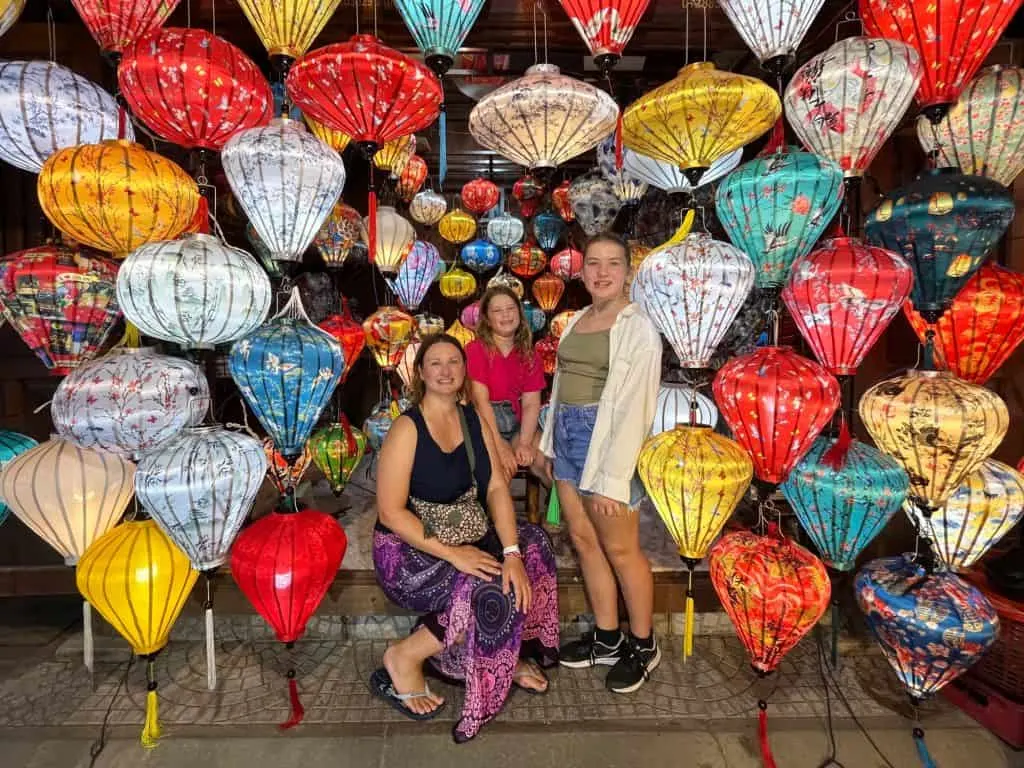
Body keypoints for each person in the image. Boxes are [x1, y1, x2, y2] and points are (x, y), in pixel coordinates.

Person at [371, 334, 560, 743]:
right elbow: (390, 512)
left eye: (453, 361)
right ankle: (404, 657)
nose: (445, 370)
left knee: (534, 548)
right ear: (420, 373)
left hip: (467, 530)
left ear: (463, 370)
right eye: (434, 363)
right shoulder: (407, 427)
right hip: (409, 550)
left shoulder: (472, 417)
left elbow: (494, 487)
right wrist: (454, 554)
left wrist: (511, 552)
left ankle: (508, 653)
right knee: (485, 582)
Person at [539, 232, 662, 694]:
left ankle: (644, 643)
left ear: (628, 273)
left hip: (608, 441)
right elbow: (561, 387)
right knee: (584, 541)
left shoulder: (638, 327)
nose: (602, 272)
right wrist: (551, 445)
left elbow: (636, 406)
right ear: (582, 270)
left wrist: (614, 478)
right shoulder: (576, 321)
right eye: (593, 263)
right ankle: (608, 637)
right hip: (569, 437)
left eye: (613, 263)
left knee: (621, 549)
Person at [466, 286, 547, 483]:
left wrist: (525, 443)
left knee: (544, 463)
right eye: (497, 311)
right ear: (486, 318)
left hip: (518, 422)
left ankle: (560, 513)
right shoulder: (475, 350)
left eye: (511, 308)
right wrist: (498, 444)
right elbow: (480, 402)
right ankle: (496, 513)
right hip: (484, 422)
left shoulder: (529, 354)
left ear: (519, 313)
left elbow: (531, 403)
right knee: (501, 469)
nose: (506, 315)